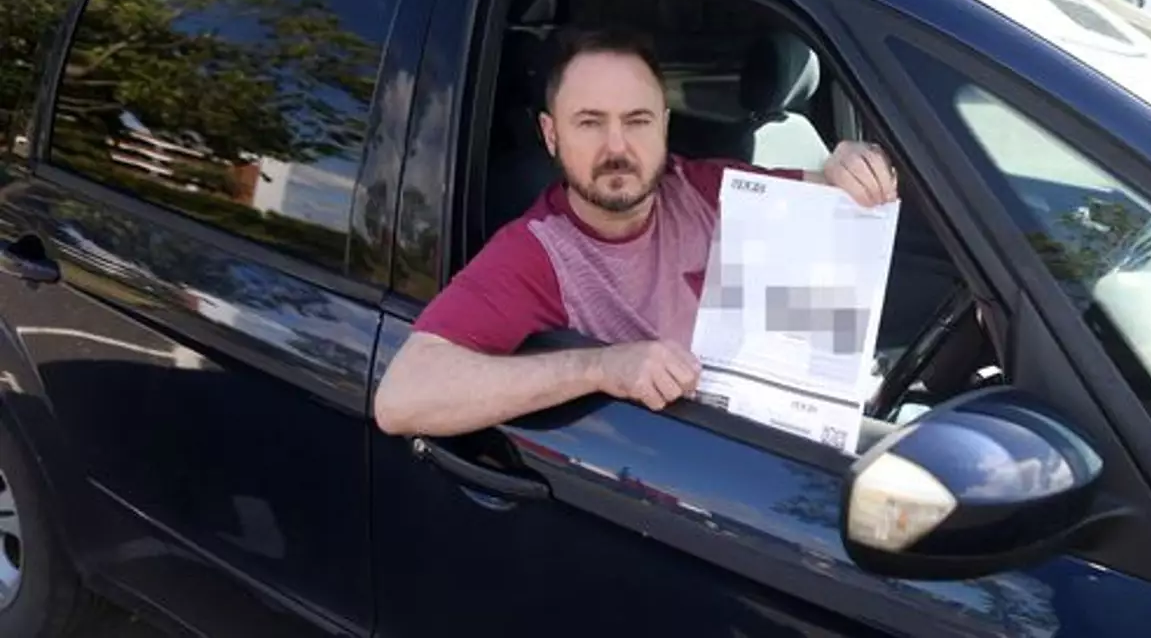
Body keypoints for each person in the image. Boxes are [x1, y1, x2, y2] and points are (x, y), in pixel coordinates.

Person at [373, 25, 898, 437]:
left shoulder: (705, 188)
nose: (618, 147)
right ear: (551, 134)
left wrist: (854, 166)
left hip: (776, 447)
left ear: (664, 125)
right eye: (589, 122)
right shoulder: (539, 253)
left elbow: (841, 194)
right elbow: (402, 398)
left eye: (638, 120)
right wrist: (603, 368)